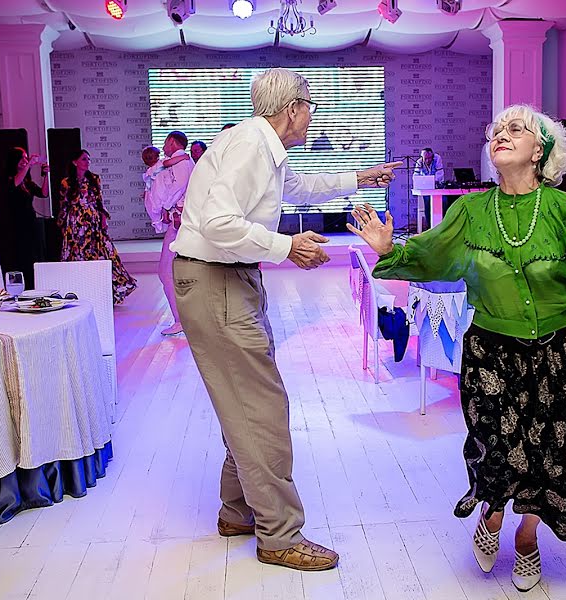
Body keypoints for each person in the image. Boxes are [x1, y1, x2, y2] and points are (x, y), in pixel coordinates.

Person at [349, 104, 566, 592]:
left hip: (560, 353)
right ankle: (492, 515)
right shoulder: (470, 212)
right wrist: (390, 250)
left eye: (515, 129)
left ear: (541, 151)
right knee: (498, 449)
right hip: (491, 350)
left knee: (546, 455)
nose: (500, 134)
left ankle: (528, 538)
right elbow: (430, 257)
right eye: (496, 129)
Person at [171, 67, 399, 571]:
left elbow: (299, 186)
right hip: (216, 280)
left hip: (227, 278)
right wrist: (286, 247)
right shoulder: (252, 145)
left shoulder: (262, 147)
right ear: (293, 108)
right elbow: (217, 222)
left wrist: (359, 176)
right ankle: (279, 535)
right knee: (261, 407)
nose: (313, 113)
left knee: (245, 399)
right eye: (311, 104)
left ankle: (237, 512)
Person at [58, 149, 137, 303]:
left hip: (92, 223)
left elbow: (100, 201)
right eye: (83, 159)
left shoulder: (94, 179)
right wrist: (62, 226)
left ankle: (105, 294)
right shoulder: (66, 183)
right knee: (78, 258)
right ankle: (80, 293)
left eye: (88, 159)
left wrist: (103, 218)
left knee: (103, 255)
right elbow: (64, 205)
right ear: (75, 162)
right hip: (75, 224)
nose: (87, 162)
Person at [144, 131, 194, 335]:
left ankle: (181, 320)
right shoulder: (176, 162)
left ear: (172, 142)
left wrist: (165, 207)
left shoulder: (181, 164)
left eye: (165, 142)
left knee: (167, 271)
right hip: (176, 222)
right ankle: (182, 319)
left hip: (179, 223)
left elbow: (178, 187)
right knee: (170, 272)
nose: (163, 147)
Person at [4, 147, 49, 287]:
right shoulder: (9, 178)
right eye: (22, 158)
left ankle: (34, 285)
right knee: (20, 257)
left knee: (33, 256)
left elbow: (43, 193)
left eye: (26, 157)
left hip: (30, 222)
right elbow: (15, 184)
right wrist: (30, 163)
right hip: (16, 224)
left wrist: (46, 175)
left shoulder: (27, 182)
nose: (25, 160)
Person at [414, 147, 445, 230]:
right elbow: (415, 176)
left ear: (433, 156)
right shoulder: (419, 162)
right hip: (426, 189)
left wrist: (433, 180)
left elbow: (440, 174)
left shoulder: (437, 158)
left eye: (429, 158)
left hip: (437, 187)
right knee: (427, 202)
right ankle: (430, 226)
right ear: (422, 157)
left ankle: (443, 225)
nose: (427, 160)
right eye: (425, 158)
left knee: (444, 201)